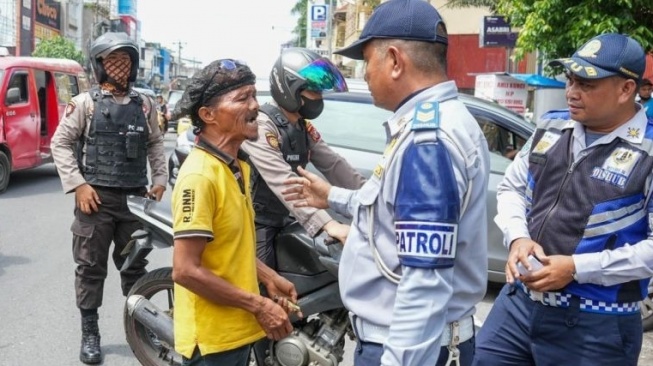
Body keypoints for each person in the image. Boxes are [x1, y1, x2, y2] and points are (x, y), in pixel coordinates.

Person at [282, 0, 490, 365]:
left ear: (395, 60)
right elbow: (390, 208)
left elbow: (424, 282)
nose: (365, 74)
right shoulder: (433, 124)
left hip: (407, 348)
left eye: (367, 61)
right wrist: (332, 195)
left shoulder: (429, 140)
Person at [474, 33, 652, 366]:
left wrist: (576, 269)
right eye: (570, 80)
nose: (571, 92)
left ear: (626, 89)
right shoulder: (552, 126)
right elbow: (511, 188)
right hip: (518, 305)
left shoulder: (648, 148)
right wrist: (518, 237)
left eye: (586, 84)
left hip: (597, 325)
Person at [170, 59, 301, 366]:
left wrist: (268, 276)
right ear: (208, 115)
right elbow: (186, 270)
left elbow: (229, 247)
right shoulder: (200, 176)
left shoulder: (236, 166)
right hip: (213, 342)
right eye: (243, 98)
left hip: (237, 331)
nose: (256, 106)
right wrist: (260, 306)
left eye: (254, 95)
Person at [50, 31, 168, 364]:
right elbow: (60, 143)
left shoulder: (145, 104)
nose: (119, 67)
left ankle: (142, 327)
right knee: (90, 269)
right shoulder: (85, 104)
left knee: (134, 267)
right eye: (112, 61)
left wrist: (159, 179)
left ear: (133, 66)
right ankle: (90, 334)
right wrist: (78, 185)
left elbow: (156, 143)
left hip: (135, 201)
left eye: (125, 61)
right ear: (99, 65)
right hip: (95, 201)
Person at [241, 47, 365, 270]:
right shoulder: (263, 126)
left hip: (286, 218)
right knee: (265, 295)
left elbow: (334, 164)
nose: (319, 99)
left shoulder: (301, 127)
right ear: (290, 89)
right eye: (314, 92)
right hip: (256, 222)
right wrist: (327, 224)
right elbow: (283, 181)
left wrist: (372, 196)